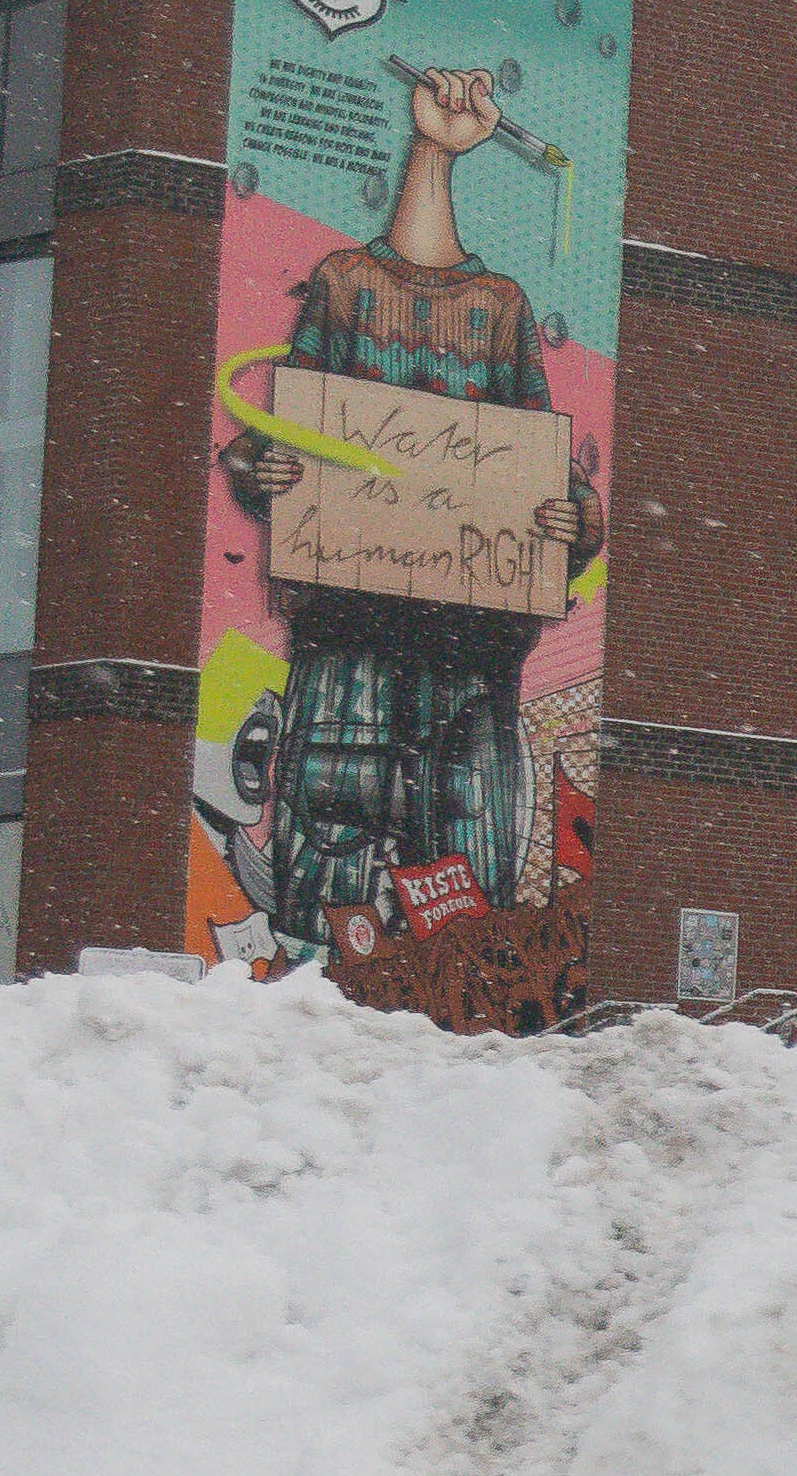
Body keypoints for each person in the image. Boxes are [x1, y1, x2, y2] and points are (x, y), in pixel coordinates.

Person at [218, 57, 595, 966]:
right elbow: (278, 427)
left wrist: (571, 522)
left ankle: (452, 1011)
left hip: (469, 655)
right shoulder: (343, 284)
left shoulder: (502, 307)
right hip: (349, 641)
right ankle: (323, 994)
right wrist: (257, 467)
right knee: (332, 839)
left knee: (462, 853)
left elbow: (539, 462)